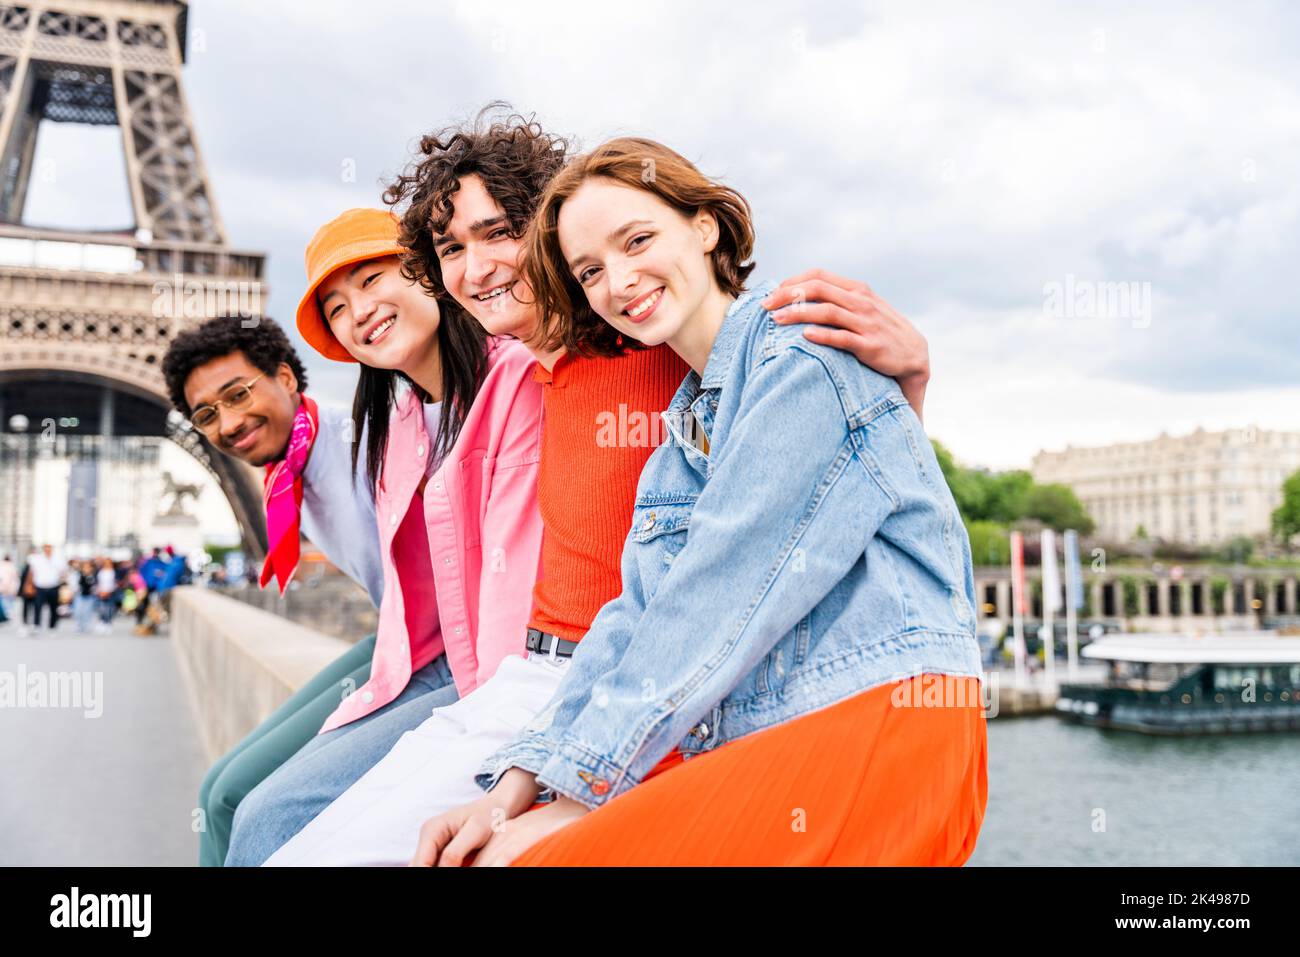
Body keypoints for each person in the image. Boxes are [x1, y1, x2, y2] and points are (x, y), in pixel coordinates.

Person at [262, 108, 935, 866]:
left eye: (497, 233)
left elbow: (802, 460)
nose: (478, 267)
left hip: (607, 690)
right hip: (539, 687)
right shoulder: (514, 378)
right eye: (452, 249)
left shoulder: (657, 347)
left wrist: (908, 378)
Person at [414, 136, 988, 867]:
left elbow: (713, 599)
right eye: (590, 270)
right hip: (802, 722)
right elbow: (633, 618)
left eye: (638, 240)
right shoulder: (686, 427)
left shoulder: (802, 357)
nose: (618, 280)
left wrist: (573, 796)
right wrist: (514, 788)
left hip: (887, 731)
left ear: (705, 226)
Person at [221, 208, 544, 866]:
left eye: (371, 280)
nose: (358, 311)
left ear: (427, 272)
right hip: (441, 659)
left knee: (266, 815)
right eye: (336, 308)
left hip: (503, 678)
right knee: (247, 803)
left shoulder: (513, 378)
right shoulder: (399, 425)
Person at [162, 315, 391, 865]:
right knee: (218, 788)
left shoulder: (364, 440)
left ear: (286, 378)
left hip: (428, 649)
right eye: (206, 414)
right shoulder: (292, 474)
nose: (229, 422)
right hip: (393, 634)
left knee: (231, 798)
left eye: (238, 393)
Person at [27, 544, 64, 632]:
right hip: (40, 586)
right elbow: (31, 572)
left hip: (53, 586)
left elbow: (63, 573)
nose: (47, 550)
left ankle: (52, 626)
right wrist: (29, 585)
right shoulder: (37, 559)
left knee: (53, 607)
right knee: (38, 606)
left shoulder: (58, 559)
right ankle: (37, 625)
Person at [72, 560, 97, 634]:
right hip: (79, 596)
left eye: (88, 567)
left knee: (87, 612)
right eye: (85, 567)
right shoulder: (78, 575)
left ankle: (85, 626)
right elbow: (75, 584)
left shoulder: (93, 576)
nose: (87, 569)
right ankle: (79, 625)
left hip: (89, 596)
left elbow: (94, 586)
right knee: (78, 611)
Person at [94, 558, 117, 634]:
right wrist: (100, 591)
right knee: (101, 608)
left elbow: (115, 583)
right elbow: (97, 582)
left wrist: (108, 592)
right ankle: (102, 622)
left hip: (110, 592)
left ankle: (108, 623)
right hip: (101, 592)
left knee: (109, 609)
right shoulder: (100, 571)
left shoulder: (113, 572)